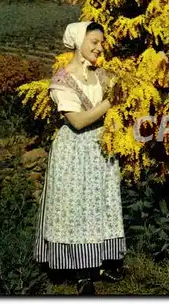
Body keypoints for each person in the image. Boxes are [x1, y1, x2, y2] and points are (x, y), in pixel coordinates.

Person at [34, 21, 126, 295]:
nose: (100, 47)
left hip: (101, 147)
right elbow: (78, 121)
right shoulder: (61, 81)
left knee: (102, 202)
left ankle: (106, 262)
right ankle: (81, 272)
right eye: (94, 42)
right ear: (77, 41)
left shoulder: (102, 75)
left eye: (101, 42)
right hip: (74, 151)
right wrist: (112, 102)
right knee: (76, 206)